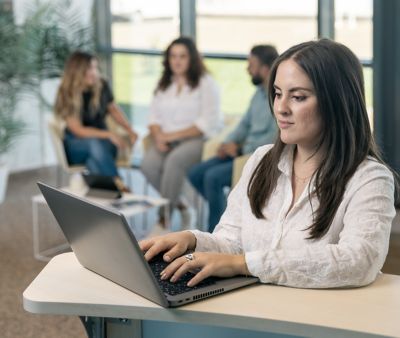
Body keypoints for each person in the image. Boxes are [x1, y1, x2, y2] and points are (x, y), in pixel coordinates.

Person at [139, 39, 398, 289]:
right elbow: (232, 241)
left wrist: (246, 264)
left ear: (337, 102)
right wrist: (193, 240)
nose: (281, 108)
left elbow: (358, 261)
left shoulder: (370, 179)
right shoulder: (261, 160)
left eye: (298, 97)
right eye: (277, 94)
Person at [188, 45, 278, 231]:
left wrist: (239, 150)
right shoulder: (258, 94)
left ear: (265, 69)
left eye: (251, 65)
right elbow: (244, 124)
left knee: (212, 178)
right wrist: (226, 143)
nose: (247, 69)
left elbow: (274, 138)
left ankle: (215, 232)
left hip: (255, 156)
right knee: (195, 173)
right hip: (240, 151)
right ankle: (228, 218)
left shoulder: (277, 97)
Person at [141, 37, 221, 229]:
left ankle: (163, 219)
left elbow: (205, 123)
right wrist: (159, 136)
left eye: (182, 56)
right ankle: (183, 205)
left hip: (197, 140)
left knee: (174, 161)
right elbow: (153, 116)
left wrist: (169, 137)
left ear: (191, 59)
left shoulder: (206, 83)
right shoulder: (164, 83)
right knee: (148, 165)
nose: (177, 61)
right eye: (173, 56)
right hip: (166, 139)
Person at [55, 51, 137, 189]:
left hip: (104, 146)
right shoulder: (67, 92)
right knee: (94, 145)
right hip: (76, 146)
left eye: (95, 68)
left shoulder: (102, 85)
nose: (94, 72)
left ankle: (111, 194)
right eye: (89, 68)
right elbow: (78, 131)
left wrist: (130, 130)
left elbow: (114, 110)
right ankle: (118, 183)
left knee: (94, 160)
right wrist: (110, 134)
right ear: (77, 71)